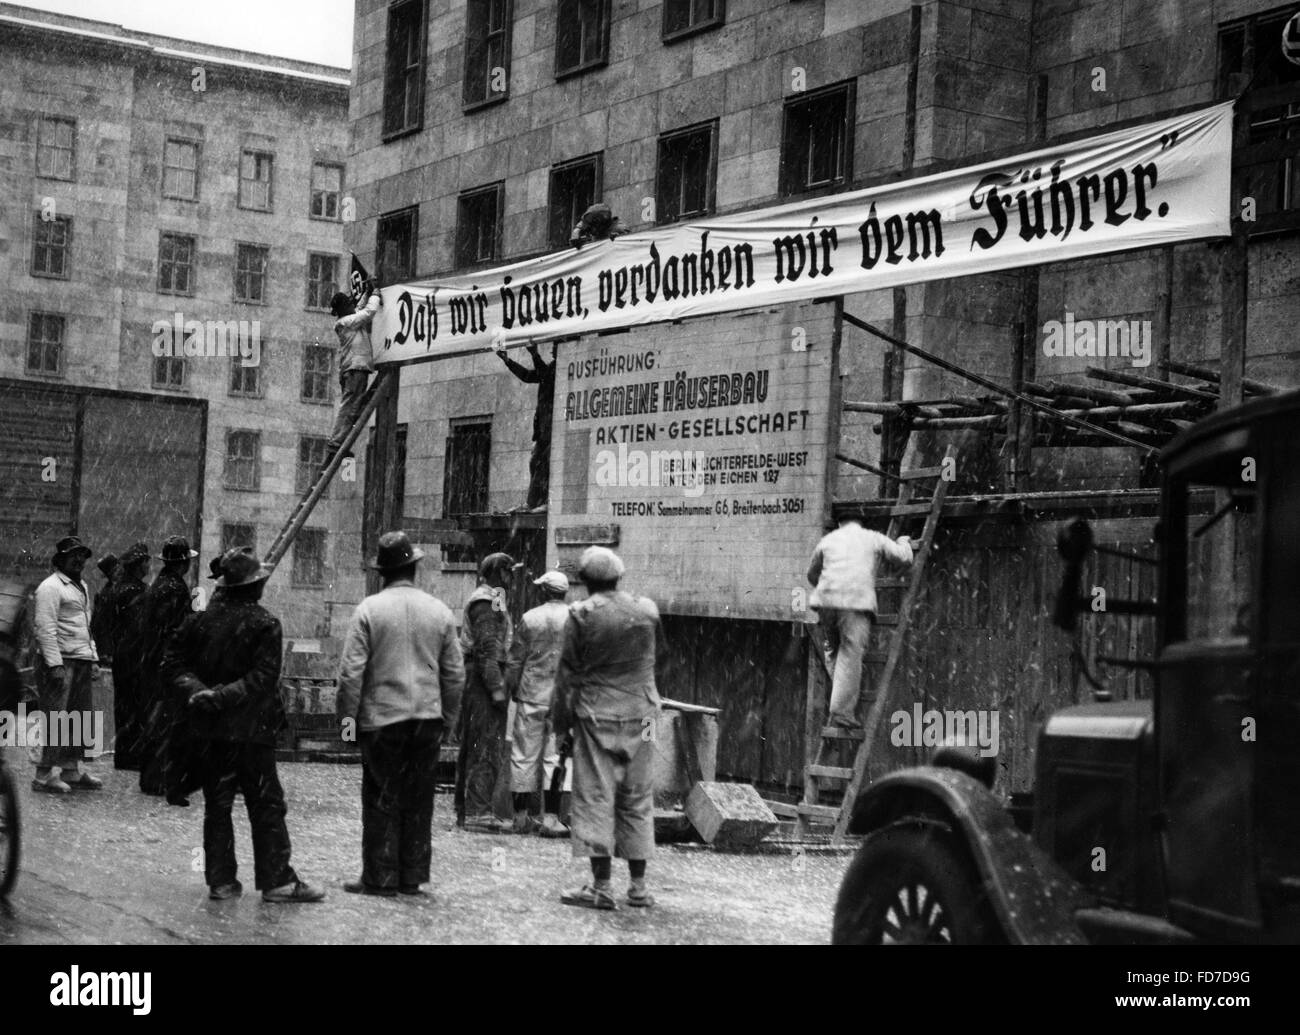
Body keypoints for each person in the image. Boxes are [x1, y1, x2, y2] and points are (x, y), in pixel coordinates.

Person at [161, 548, 325, 903]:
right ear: (253, 587)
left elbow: (172, 662)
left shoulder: (198, 619)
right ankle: (277, 881)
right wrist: (222, 697)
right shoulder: (265, 624)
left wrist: (200, 692)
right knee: (266, 806)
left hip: (211, 733)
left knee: (217, 806)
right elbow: (263, 679)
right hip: (252, 732)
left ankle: (221, 881)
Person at [336, 531, 465, 896]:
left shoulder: (369, 611)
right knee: (419, 798)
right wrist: (448, 720)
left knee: (381, 798)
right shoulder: (439, 611)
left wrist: (348, 727)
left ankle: (380, 876)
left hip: (382, 719)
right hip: (427, 719)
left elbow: (350, 675)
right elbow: (455, 675)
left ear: (382, 572)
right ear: (414, 568)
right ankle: (412, 875)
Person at [552, 547, 662, 910]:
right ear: (619, 576)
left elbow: (567, 676)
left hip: (596, 716)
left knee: (596, 796)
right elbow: (662, 658)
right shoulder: (646, 610)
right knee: (638, 795)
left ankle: (601, 887)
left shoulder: (582, 616)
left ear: (585, 582)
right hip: (644, 716)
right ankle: (640, 887)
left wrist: (561, 726)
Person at [806, 517, 914, 730]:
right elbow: (904, 558)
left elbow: (811, 574)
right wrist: (903, 541)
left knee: (834, 650)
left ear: (840, 524)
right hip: (855, 604)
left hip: (826, 603)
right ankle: (842, 712)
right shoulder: (872, 538)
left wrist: (831, 587)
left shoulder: (828, 541)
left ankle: (839, 696)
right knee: (850, 652)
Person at [30, 535, 103, 794]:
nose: (79, 560)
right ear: (60, 559)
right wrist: (54, 664)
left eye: (82, 555)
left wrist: (92, 657)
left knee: (78, 717)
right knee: (56, 717)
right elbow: (44, 629)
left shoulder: (81, 585)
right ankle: (42, 775)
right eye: (73, 555)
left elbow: (86, 627)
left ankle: (71, 769)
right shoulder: (50, 587)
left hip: (80, 659)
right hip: (60, 661)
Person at [506, 569, 572, 837]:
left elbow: (515, 659)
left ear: (545, 591)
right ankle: (552, 817)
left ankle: (521, 817)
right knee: (555, 758)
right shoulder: (576, 619)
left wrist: (511, 688)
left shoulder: (529, 618)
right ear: (564, 592)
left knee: (523, 754)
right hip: (561, 699)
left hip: (531, 693)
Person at [455, 552, 514, 832]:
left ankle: (467, 809)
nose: (512, 578)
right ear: (500, 573)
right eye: (509, 572)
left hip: (478, 678)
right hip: (483, 681)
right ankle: (477, 811)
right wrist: (497, 690)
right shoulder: (486, 601)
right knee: (485, 745)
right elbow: (488, 650)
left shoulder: (492, 598)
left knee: (476, 744)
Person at [136, 535, 198, 797]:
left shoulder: (159, 584)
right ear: (183, 563)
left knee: (156, 721)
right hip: (166, 666)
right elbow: (174, 631)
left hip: (154, 662)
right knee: (165, 723)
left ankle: (153, 777)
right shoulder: (174, 588)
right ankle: (156, 779)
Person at [495, 342, 555, 511]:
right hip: (544, 427)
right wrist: (508, 361)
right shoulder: (552, 367)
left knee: (545, 464)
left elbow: (544, 375)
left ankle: (543, 501)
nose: (553, 351)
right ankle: (533, 501)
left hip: (553, 426)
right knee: (535, 462)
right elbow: (528, 376)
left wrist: (535, 355)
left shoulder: (560, 367)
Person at [107, 542, 150, 770]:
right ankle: (131, 756)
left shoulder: (118, 588)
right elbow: (139, 627)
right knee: (135, 705)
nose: (148, 565)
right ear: (138, 565)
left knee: (124, 705)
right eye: (146, 561)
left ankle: (124, 754)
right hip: (134, 655)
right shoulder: (136, 592)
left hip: (122, 654)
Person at [326, 282, 381, 460]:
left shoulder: (346, 321)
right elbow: (367, 313)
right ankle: (336, 441)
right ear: (344, 308)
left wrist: (366, 294)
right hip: (355, 368)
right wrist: (375, 295)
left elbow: (358, 309)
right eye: (348, 304)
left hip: (354, 368)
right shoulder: (347, 322)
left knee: (352, 407)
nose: (352, 305)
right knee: (350, 407)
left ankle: (340, 441)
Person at [89, 554, 121, 657]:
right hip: (113, 647)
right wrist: (106, 651)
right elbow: (100, 625)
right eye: (116, 570)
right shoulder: (106, 594)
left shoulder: (116, 590)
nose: (121, 571)